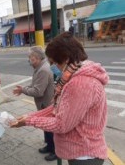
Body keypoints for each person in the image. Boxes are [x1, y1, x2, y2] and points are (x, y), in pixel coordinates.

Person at [11, 32, 109, 165]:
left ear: (66, 58)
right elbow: (59, 107)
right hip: (81, 150)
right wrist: (29, 116)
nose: (55, 66)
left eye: (56, 62)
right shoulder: (79, 72)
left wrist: (29, 121)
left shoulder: (80, 83)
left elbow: (62, 124)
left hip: (84, 154)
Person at [12, 46, 56, 161]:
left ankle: (54, 150)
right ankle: (49, 145)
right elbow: (34, 85)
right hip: (44, 104)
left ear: (35, 58)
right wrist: (24, 88)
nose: (29, 61)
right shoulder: (40, 67)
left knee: (50, 128)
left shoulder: (43, 70)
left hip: (47, 105)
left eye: (29, 58)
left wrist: (23, 90)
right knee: (46, 128)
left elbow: (38, 91)